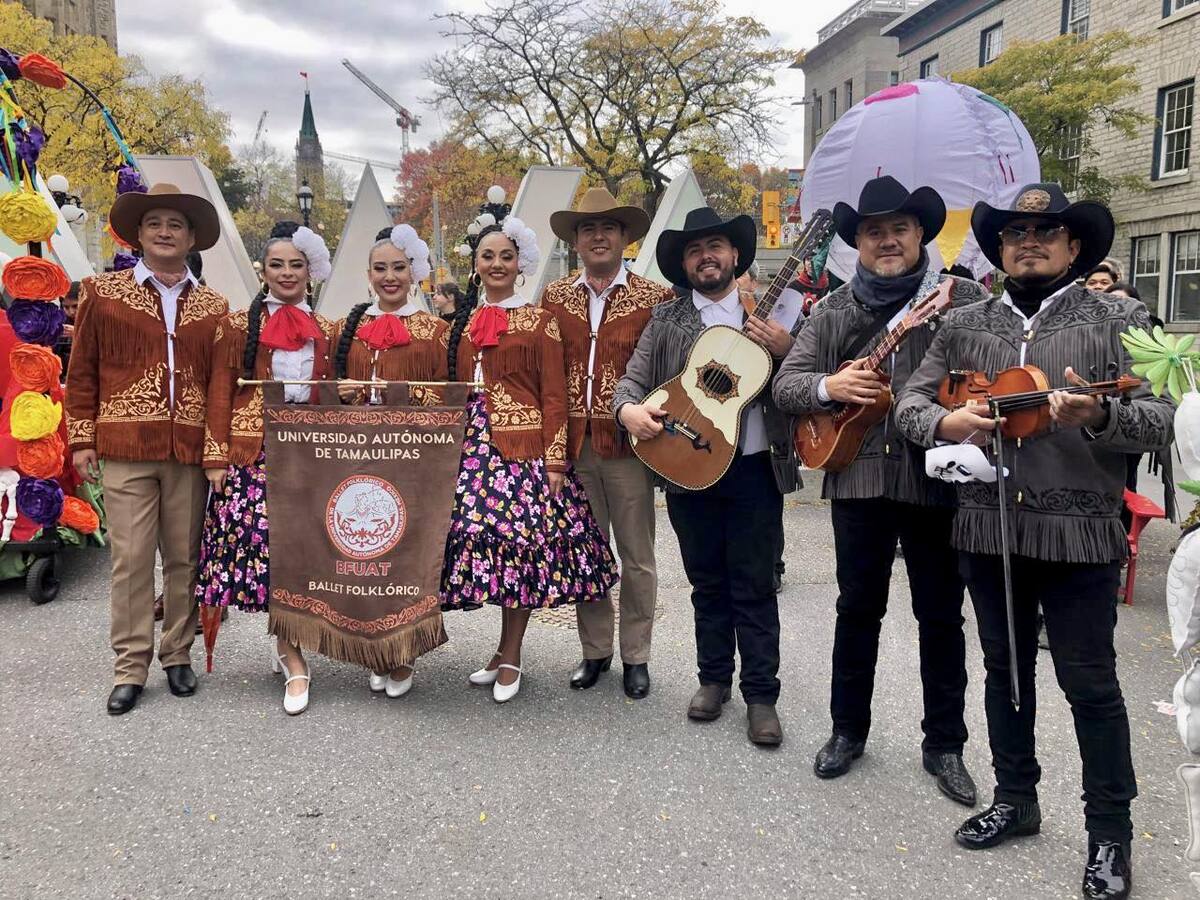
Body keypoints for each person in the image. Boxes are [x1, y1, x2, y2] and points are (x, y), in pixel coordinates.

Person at [895, 183, 1175, 900]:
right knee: (1006, 674)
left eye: (1046, 230)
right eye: (1016, 231)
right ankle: (1016, 799)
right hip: (990, 529)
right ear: (1000, 247)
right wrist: (945, 425)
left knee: (1091, 687)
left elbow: (1163, 419)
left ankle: (1110, 836)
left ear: (1073, 245)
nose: (1029, 240)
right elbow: (912, 405)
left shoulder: (1121, 318)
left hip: (1081, 531)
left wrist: (1096, 415)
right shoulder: (967, 320)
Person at [773, 176, 988, 801]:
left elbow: (994, 372)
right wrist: (828, 389)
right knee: (857, 610)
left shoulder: (965, 298)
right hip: (860, 479)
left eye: (899, 228)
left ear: (921, 233)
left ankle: (945, 745)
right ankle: (848, 731)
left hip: (937, 477)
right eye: (874, 232)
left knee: (941, 616)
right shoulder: (833, 310)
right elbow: (789, 385)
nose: (887, 241)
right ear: (858, 243)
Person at [613, 206, 802, 747]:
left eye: (714, 246)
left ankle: (762, 695)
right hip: (687, 461)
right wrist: (628, 412)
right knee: (707, 582)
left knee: (756, 584)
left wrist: (786, 351)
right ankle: (714, 679)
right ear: (685, 264)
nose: (706, 257)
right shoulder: (665, 319)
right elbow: (629, 384)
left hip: (754, 469)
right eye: (695, 250)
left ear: (735, 255)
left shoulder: (773, 315)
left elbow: (805, 383)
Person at [65, 183, 229, 715]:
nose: (164, 232)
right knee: (130, 560)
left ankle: (176, 653)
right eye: (155, 222)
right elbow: (82, 369)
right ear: (138, 234)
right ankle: (130, 665)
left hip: (188, 449)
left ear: (190, 239)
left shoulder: (213, 306)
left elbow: (222, 383)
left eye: (175, 225)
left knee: (183, 559)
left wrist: (217, 448)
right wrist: (81, 437)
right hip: (127, 445)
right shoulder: (102, 292)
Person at [440, 215, 618, 704]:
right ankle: (499, 650)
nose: (497, 264)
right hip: (467, 447)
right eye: (487, 256)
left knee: (518, 549)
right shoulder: (461, 323)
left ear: (520, 265)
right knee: (482, 546)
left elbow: (555, 395)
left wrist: (556, 460)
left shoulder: (541, 322)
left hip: (522, 450)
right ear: (475, 266)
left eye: (506, 256)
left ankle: (513, 652)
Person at [197, 221, 334, 716]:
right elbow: (219, 392)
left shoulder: (328, 327)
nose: (286, 273)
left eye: (295, 264)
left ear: (309, 271)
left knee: (303, 553)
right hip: (254, 450)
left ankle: (293, 638)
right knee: (268, 550)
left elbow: (330, 391)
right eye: (276, 264)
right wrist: (216, 455)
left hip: (310, 453)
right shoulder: (237, 326)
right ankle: (291, 654)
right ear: (263, 270)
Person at [541, 187, 671, 699]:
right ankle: (595, 650)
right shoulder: (555, 297)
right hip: (574, 446)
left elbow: (668, 371)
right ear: (575, 241)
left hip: (630, 447)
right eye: (588, 229)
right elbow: (546, 375)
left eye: (608, 228)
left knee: (637, 555)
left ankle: (636, 655)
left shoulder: (653, 298)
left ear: (624, 238)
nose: (598, 236)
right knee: (588, 550)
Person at [333, 223, 450, 696]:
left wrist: (390, 393)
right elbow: (331, 391)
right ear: (368, 274)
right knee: (365, 555)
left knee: (407, 559)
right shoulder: (351, 328)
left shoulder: (436, 331)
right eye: (380, 268)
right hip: (358, 459)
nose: (389, 277)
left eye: (398, 268)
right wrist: (346, 395)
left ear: (414, 272)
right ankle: (373, 645)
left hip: (414, 461)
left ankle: (403, 654)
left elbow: (448, 399)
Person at [736, 261, 789, 595]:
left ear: (754, 283)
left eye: (744, 276)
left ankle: (774, 565)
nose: (739, 282)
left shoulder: (772, 320)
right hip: (718, 437)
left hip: (763, 439)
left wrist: (786, 348)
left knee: (768, 511)